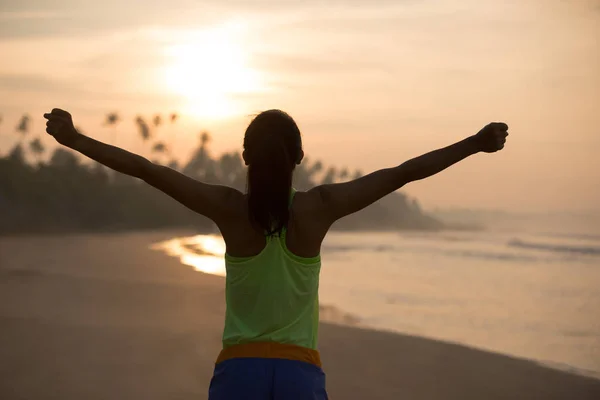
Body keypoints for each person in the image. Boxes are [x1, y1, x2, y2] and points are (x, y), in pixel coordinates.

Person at [43, 108, 509, 399]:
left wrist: (75, 139)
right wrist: (475, 143)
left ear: (245, 157)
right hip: (299, 375)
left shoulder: (227, 209)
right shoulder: (320, 208)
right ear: (299, 158)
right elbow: (404, 172)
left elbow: (146, 169)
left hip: (238, 372)